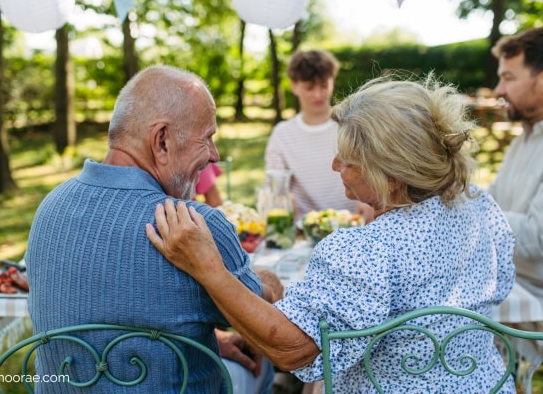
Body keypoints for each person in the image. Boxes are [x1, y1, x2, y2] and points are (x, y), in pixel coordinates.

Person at [147, 73, 517, 393]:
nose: (335, 165)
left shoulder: (366, 250)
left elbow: (296, 350)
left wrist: (208, 268)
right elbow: (498, 282)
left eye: (348, 160)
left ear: (389, 176)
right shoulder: (478, 206)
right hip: (484, 384)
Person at [25, 65, 282, 393]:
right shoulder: (194, 225)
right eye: (207, 138)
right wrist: (270, 282)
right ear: (161, 140)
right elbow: (262, 318)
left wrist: (212, 342)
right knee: (261, 363)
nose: (214, 156)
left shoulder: (49, 207)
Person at [488, 26, 543, 324]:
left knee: (439, 320)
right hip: (507, 285)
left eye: (509, 78)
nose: (499, 90)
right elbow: (489, 200)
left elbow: (539, 237)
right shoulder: (524, 138)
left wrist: (474, 213)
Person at [264, 49, 363, 220]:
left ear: (332, 81)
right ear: (294, 86)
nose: (318, 94)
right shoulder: (282, 134)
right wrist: (281, 197)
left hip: (354, 223)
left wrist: (369, 200)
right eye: (310, 87)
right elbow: (274, 184)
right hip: (306, 229)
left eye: (324, 85)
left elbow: (374, 170)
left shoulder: (351, 125)